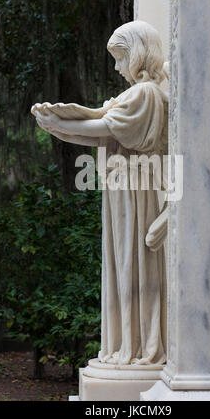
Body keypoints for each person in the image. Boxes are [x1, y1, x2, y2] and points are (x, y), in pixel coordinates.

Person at [32, 21, 168, 365]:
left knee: (134, 264)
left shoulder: (145, 94)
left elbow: (106, 127)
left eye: (121, 58)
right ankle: (127, 345)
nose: (118, 67)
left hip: (136, 189)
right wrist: (58, 128)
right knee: (124, 264)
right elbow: (100, 135)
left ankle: (140, 348)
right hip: (124, 190)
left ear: (139, 54)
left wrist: (59, 125)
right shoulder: (137, 94)